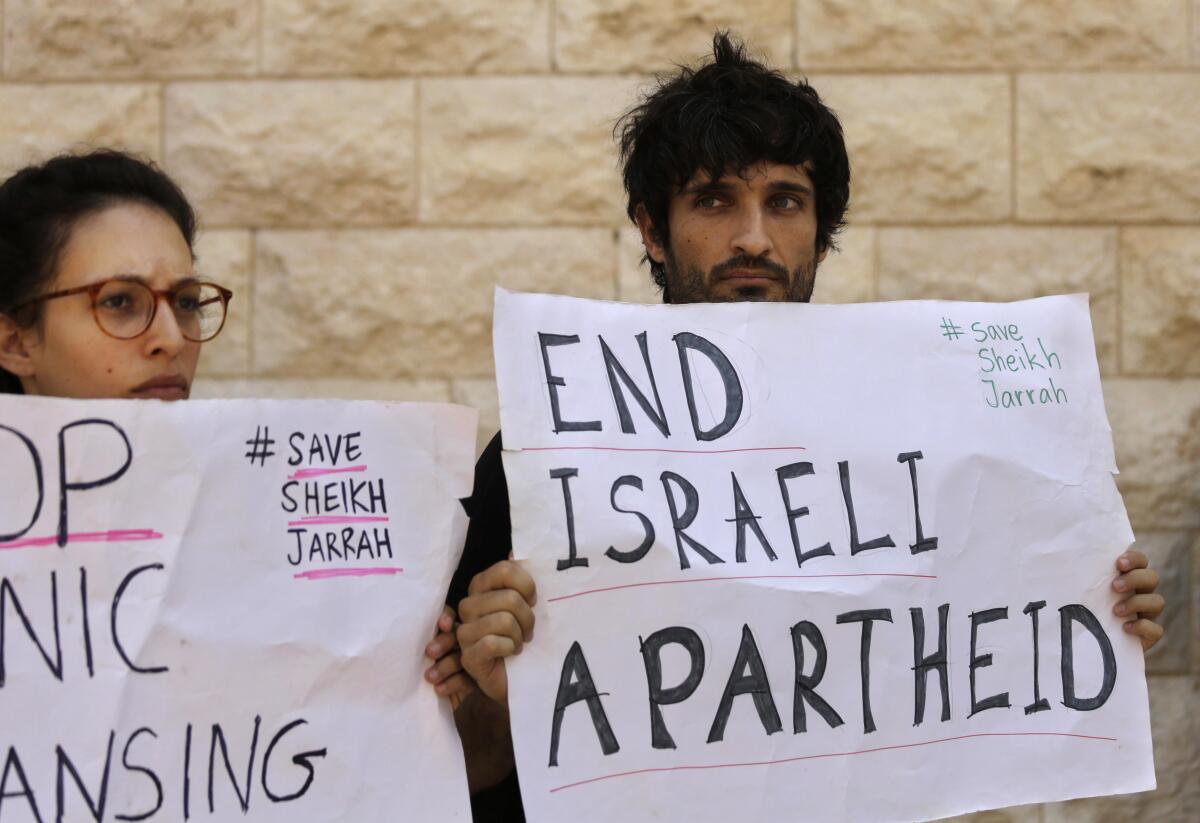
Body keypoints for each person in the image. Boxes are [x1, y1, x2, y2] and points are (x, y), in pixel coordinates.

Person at [449, 32, 1167, 821]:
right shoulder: (544, 453)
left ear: (822, 233)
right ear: (654, 229)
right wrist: (493, 685)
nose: (753, 237)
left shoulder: (922, 437)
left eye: (785, 201)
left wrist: (1093, 606)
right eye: (715, 200)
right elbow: (460, 765)